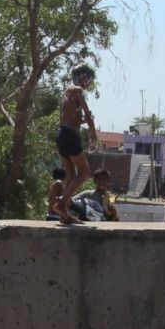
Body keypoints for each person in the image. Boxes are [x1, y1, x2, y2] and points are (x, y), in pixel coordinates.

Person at [55, 64, 99, 225]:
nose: (87, 82)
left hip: (62, 134)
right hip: (69, 135)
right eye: (87, 78)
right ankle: (61, 203)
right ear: (82, 76)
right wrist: (93, 135)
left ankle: (64, 215)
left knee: (71, 176)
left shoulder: (67, 92)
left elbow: (72, 117)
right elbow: (88, 115)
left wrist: (81, 119)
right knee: (85, 172)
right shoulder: (77, 90)